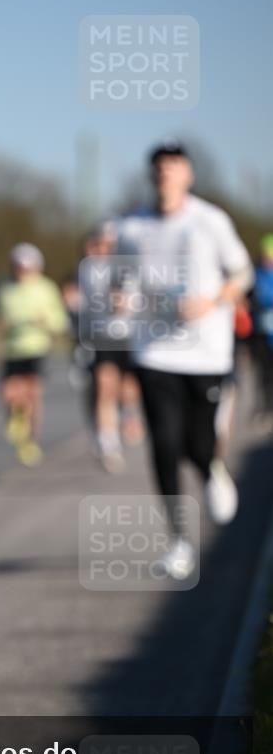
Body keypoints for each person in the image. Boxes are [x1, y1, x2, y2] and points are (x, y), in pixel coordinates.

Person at [118, 142, 253, 579]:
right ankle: (178, 542)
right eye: (158, 169)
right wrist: (122, 300)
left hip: (206, 351)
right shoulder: (132, 228)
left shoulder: (210, 221)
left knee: (197, 442)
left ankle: (211, 469)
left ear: (188, 176)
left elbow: (242, 273)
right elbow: (123, 283)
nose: (165, 176)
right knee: (164, 444)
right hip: (154, 351)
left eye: (173, 169)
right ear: (151, 175)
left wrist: (214, 300)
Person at [68, 223, 145, 473]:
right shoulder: (89, 269)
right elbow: (85, 298)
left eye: (110, 245)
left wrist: (127, 301)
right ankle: (108, 443)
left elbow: (136, 300)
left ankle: (129, 414)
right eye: (101, 244)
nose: (105, 249)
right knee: (105, 387)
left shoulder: (131, 267)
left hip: (130, 336)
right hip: (103, 338)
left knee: (128, 389)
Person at [0, 243, 68, 466]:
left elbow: (60, 321)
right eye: (19, 266)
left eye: (27, 267)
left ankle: (31, 438)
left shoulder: (46, 288)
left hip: (36, 346)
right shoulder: (3, 288)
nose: (23, 271)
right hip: (10, 348)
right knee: (9, 393)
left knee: (32, 392)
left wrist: (44, 321)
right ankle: (16, 419)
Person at [249, 234, 273, 429]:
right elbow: (257, 297)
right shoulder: (256, 274)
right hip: (262, 333)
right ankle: (265, 407)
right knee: (264, 373)